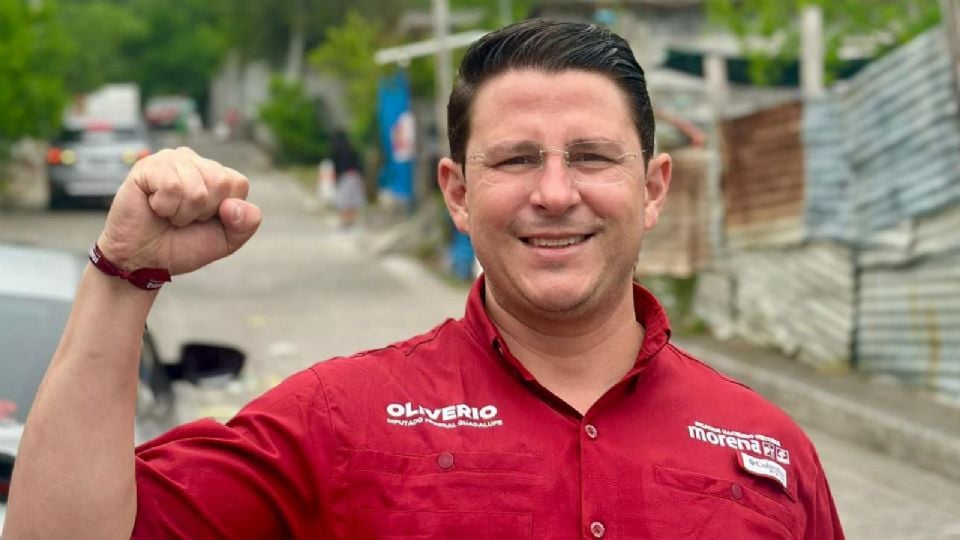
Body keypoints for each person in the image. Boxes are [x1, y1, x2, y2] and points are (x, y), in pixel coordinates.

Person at [5, 19, 844, 539]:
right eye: (516, 159)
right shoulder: (335, 421)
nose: (556, 193)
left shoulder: (768, 450)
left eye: (590, 157)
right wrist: (122, 278)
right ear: (457, 192)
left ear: (653, 188)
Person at [330, 129, 366, 228]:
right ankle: (352, 219)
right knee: (353, 199)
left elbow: (336, 167)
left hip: (344, 176)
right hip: (355, 175)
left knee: (344, 199)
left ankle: (345, 220)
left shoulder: (336, 150)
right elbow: (359, 164)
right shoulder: (352, 149)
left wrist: (336, 179)